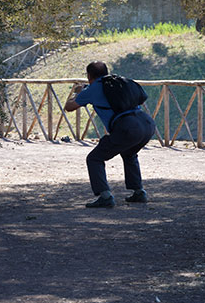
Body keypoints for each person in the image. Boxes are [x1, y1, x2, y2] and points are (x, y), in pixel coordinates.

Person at [64, 61, 156, 208]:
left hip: (127, 127)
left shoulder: (92, 89)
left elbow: (69, 107)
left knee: (95, 158)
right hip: (146, 123)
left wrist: (77, 92)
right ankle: (139, 192)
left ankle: (105, 196)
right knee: (129, 153)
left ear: (89, 75)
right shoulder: (118, 82)